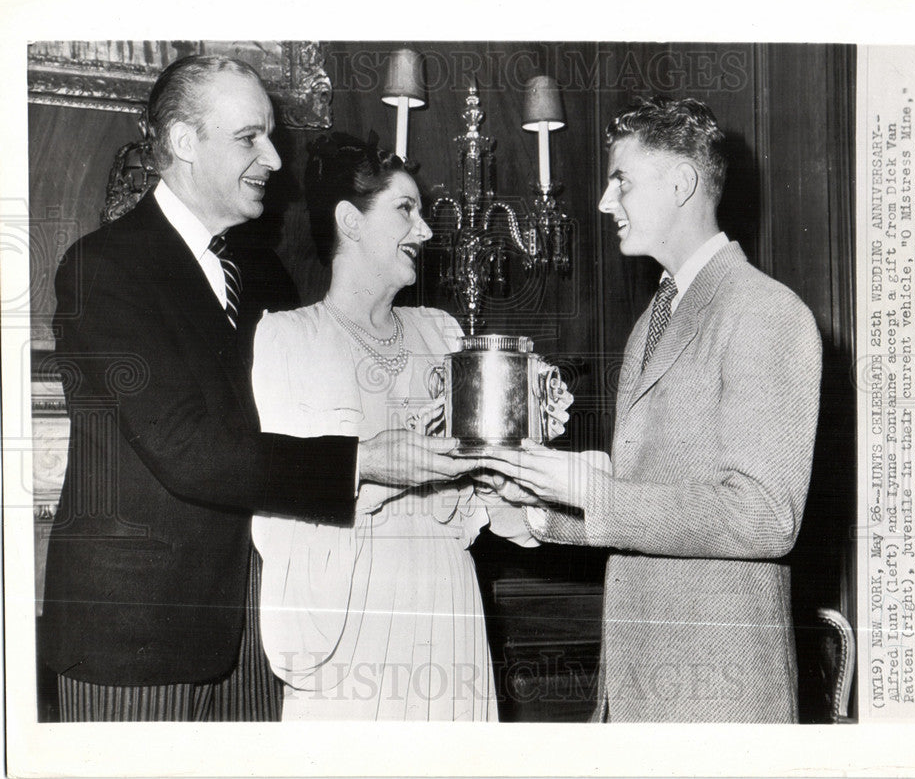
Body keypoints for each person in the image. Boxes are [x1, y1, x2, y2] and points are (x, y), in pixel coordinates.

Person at [40, 56, 476, 723]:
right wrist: (364, 459)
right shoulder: (104, 269)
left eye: (270, 135)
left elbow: (297, 418)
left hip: (253, 630)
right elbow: (185, 449)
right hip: (136, 633)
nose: (274, 158)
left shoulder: (262, 274)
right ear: (185, 143)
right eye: (250, 137)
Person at [483, 97, 823, 723]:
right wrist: (542, 516)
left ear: (682, 182)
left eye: (622, 181)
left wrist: (591, 490)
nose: (606, 202)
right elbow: (653, 503)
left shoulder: (766, 312)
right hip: (638, 688)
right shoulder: (653, 322)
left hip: (719, 698)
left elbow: (764, 517)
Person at [249, 133, 570, 720]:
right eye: (406, 210)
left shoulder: (442, 334)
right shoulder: (290, 339)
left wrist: (532, 433)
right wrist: (379, 467)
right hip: (351, 612)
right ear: (349, 220)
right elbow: (283, 506)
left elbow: (489, 498)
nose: (425, 230)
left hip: (445, 597)